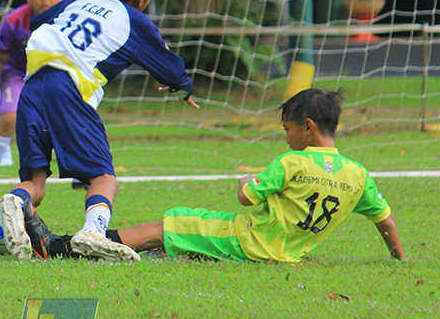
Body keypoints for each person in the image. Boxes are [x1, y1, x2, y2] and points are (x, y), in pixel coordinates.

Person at [25, 88, 404, 263]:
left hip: (250, 243)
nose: (286, 137)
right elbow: (385, 220)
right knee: (187, 231)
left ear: (307, 127)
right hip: (287, 252)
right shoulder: (358, 176)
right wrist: (397, 258)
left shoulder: (293, 163)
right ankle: (190, 256)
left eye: (287, 129)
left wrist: (245, 182)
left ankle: (56, 247)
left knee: (161, 226)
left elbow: (247, 197)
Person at [0, 0, 198, 262]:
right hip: (69, 89)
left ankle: (13, 201)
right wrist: (182, 90)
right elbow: (172, 70)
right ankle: (93, 231)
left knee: (34, 182)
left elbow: (39, 22)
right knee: (105, 178)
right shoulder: (136, 21)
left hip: (32, 85)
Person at [0, 0, 87, 193]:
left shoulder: (70, 21)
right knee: (8, 118)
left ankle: (81, 174)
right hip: (18, 73)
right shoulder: (14, 20)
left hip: (55, 74)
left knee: (70, 120)